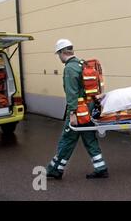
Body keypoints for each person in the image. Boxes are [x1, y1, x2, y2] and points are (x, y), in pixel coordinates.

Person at [46, 39, 108, 180]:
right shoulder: (82, 64)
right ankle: (101, 168)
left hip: (79, 111)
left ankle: (55, 170)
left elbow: (71, 93)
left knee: (67, 139)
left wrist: (72, 113)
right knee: (89, 138)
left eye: (58, 54)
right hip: (88, 109)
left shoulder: (69, 68)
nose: (59, 57)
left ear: (62, 52)